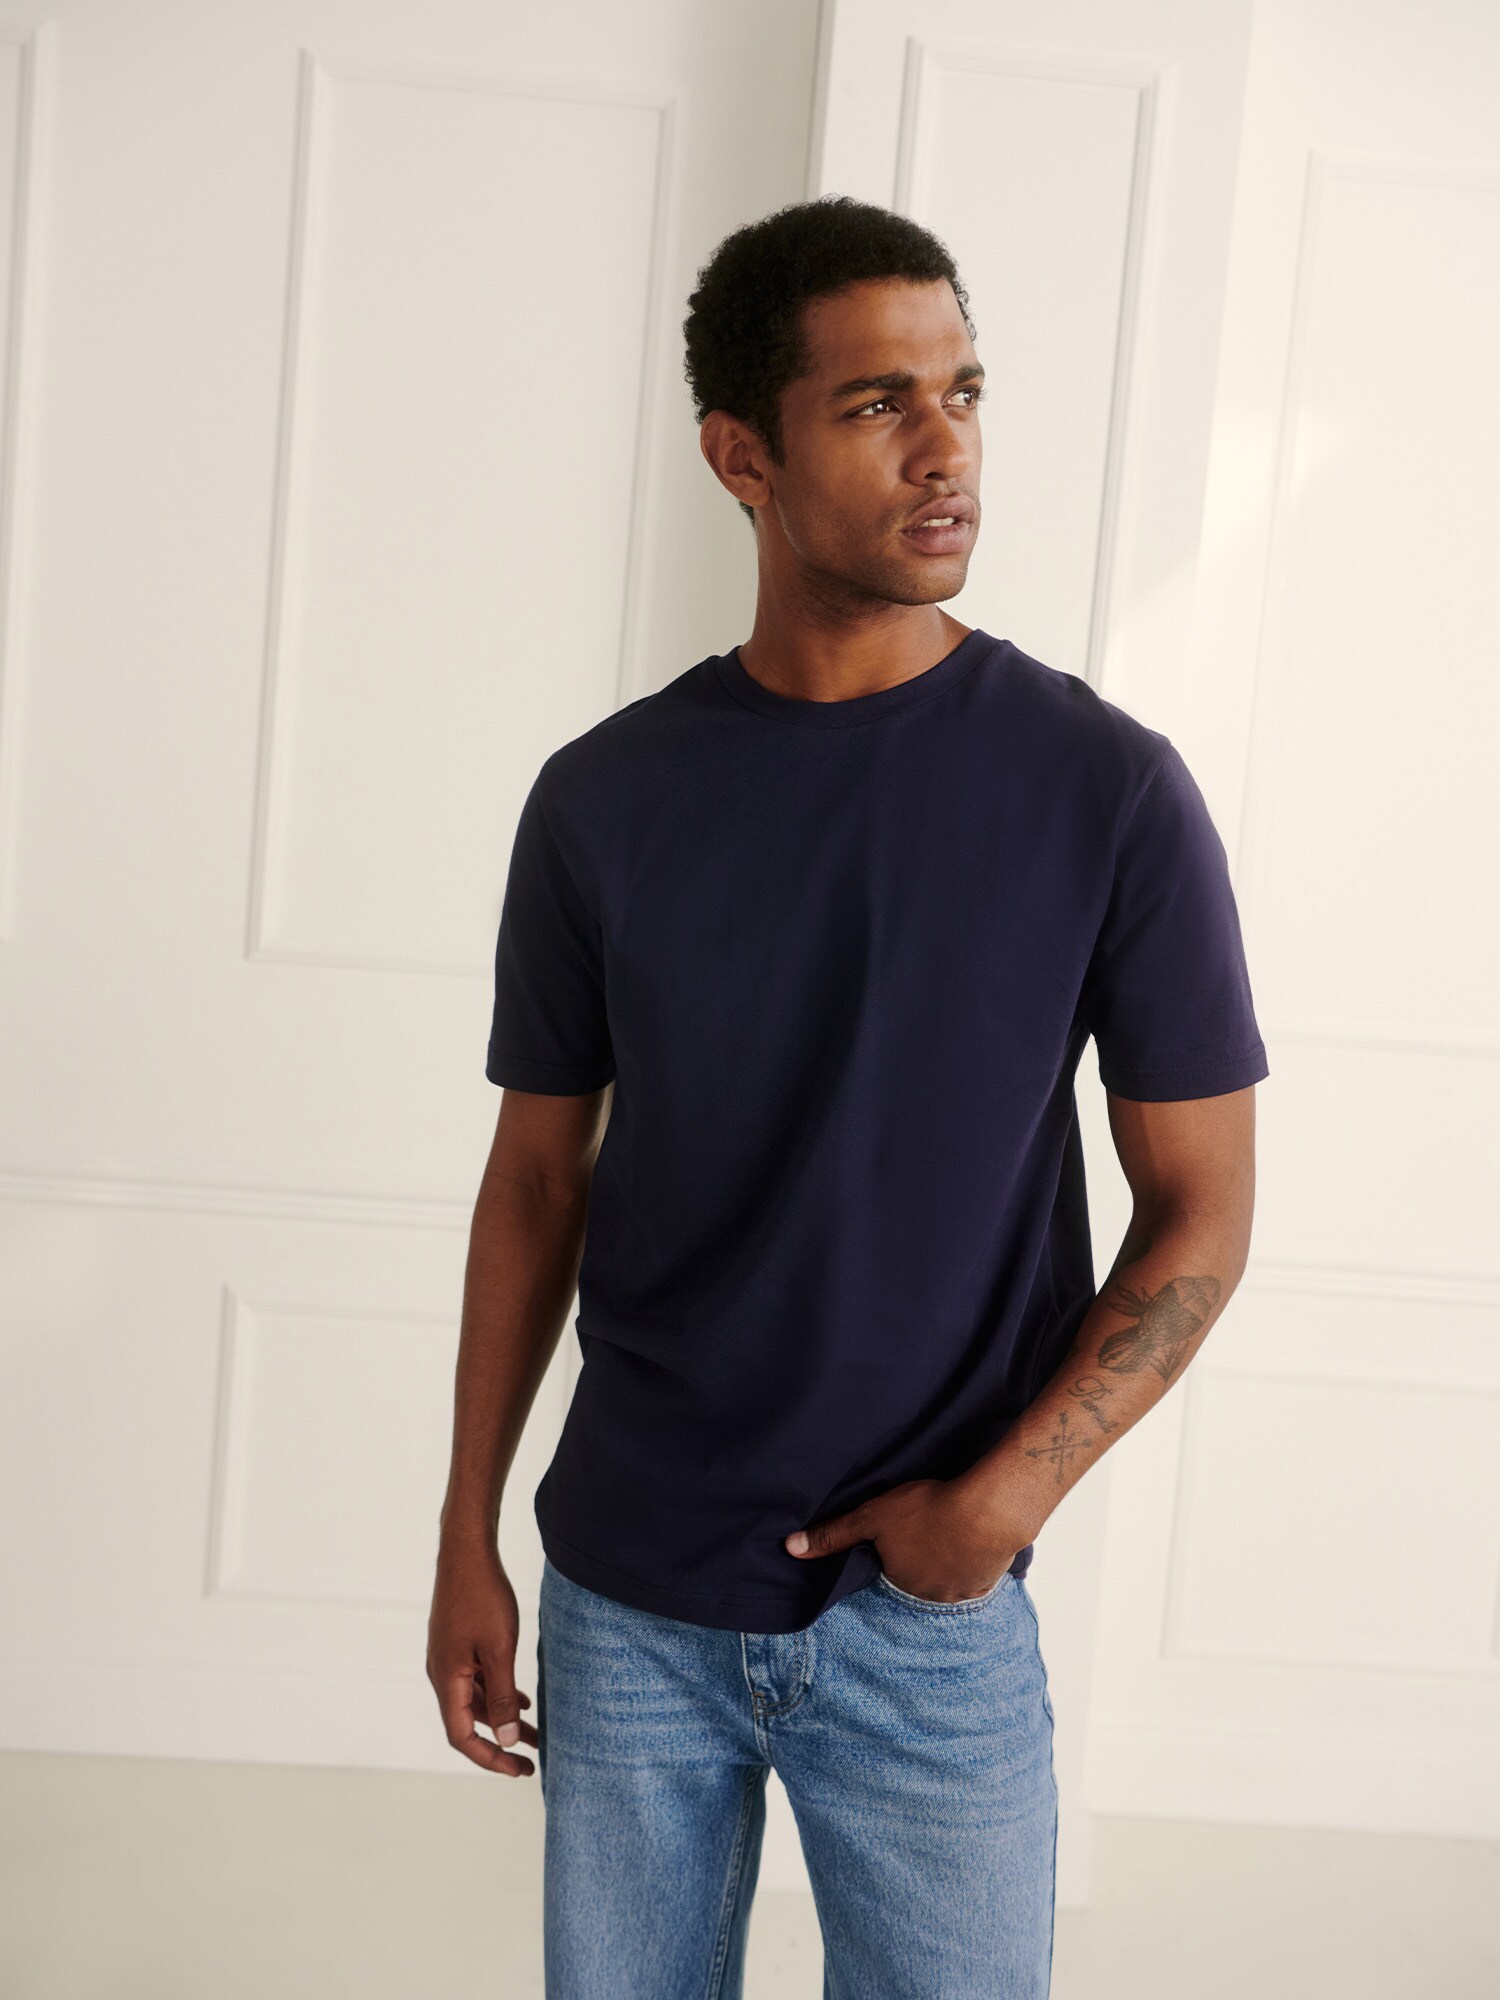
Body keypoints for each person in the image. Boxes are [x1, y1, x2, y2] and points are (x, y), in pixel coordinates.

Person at [427, 194, 1267, 1999]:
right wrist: (465, 1536)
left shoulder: (1107, 792)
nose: (946, 448)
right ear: (744, 455)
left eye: (964, 391)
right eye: (879, 404)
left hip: (927, 1617)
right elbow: (536, 1185)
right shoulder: (603, 800)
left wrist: (999, 1506)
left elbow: (1204, 1209)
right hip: (628, 1599)